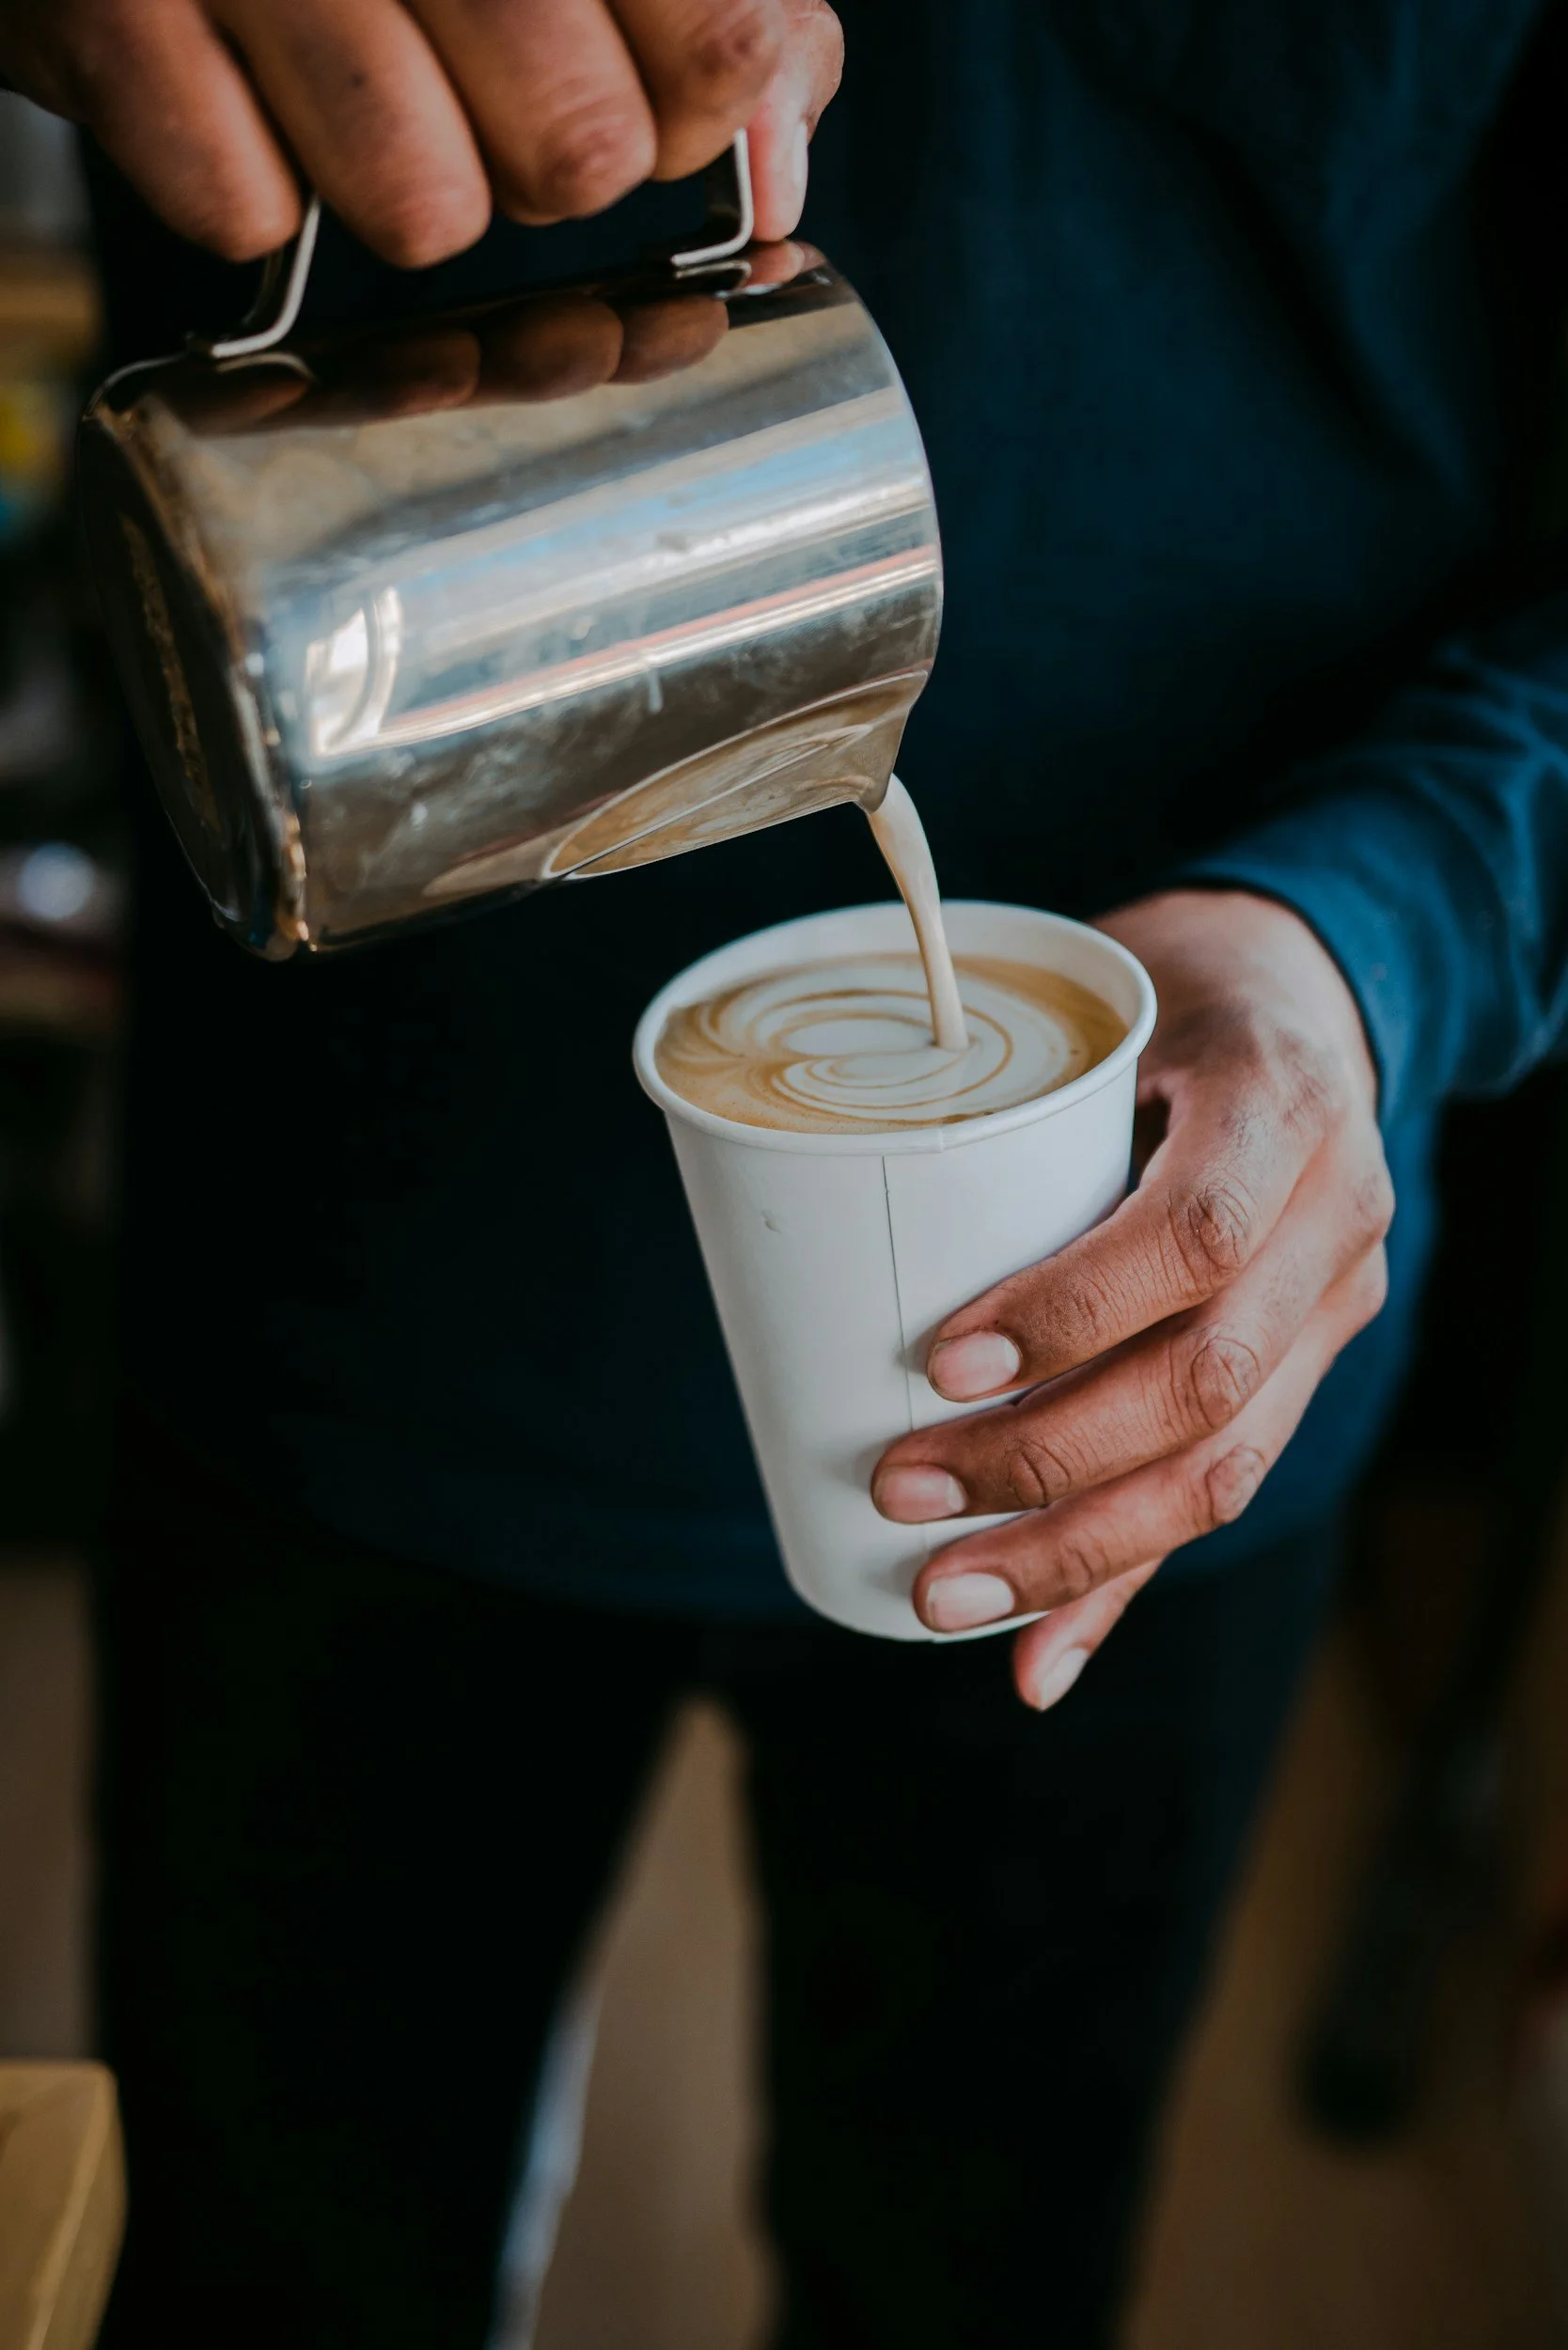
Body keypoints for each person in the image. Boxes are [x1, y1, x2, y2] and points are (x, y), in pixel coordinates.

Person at [7, 1, 1568, 2342]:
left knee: (976, 2271)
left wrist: (1392, 935)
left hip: (1175, 1324)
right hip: (367, 1240)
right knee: (272, 2260)